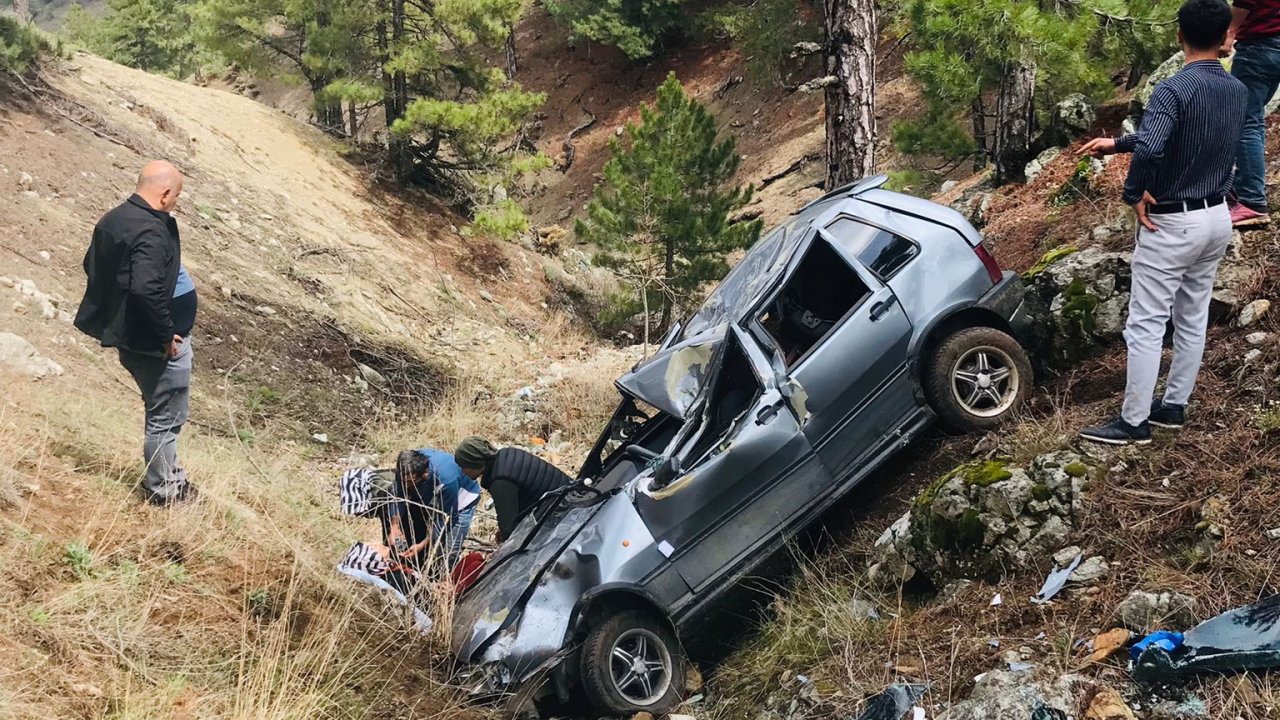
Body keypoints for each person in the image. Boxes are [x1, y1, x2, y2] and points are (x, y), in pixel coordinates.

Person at [1077, 0, 1247, 445]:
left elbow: (1154, 147)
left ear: (1179, 36)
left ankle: (1133, 423)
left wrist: (1133, 193)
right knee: (1192, 317)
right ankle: (1173, 407)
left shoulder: (1173, 89)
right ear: (1225, 35)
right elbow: (1177, 135)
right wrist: (1115, 144)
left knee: (1146, 323)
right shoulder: (1236, 90)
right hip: (1216, 217)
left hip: (1172, 223)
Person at [74, 161, 199, 505]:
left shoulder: (115, 218)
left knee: (163, 412)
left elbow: (93, 265)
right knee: (165, 419)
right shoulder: (151, 231)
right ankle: (164, 492)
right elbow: (145, 289)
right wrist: (165, 334)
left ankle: (172, 478)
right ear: (164, 193)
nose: (175, 203)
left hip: (137, 336)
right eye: (176, 197)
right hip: (156, 344)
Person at [454, 436, 573, 542]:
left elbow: (509, 531)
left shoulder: (500, 482)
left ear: (473, 461)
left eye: (463, 466)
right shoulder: (506, 455)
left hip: (562, 513)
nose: (463, 472)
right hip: (570, 493)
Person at [1226, 0, 1280, 227]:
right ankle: (1239, 189)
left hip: (1258, 47)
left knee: (1246, 122)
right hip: (1273, 47)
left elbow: (1244, 4)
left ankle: (1251, 201)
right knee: (1251, 119)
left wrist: (1228, 35)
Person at [385, 448, 480, 569]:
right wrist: (394, 527)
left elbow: (447, 518)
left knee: (448, 550)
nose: (406, 485)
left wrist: (422, 544)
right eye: (404, 480)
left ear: (425, 474)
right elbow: (398, 494)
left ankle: (445, 580)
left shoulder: (447, 480)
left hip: (462, 500)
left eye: (410, 482)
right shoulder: (407, 467)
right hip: (433, 495)